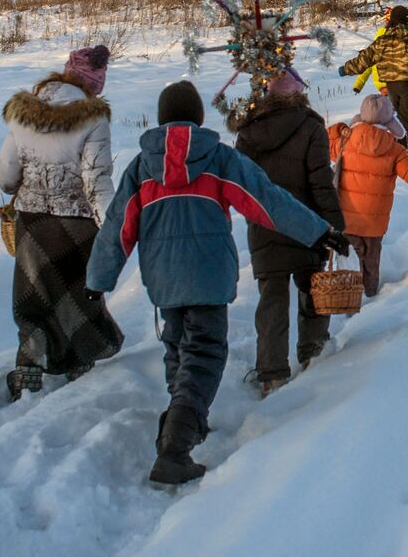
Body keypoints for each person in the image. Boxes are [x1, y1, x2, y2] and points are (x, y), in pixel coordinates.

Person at [86, 80, 348, 485]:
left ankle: (185, 418)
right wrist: (317, 230)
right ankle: (176, 447)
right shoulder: (218, 159)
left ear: (160, 119)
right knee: (205, 352)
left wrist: (98, 280)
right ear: (198, 117)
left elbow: (118, 228)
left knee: (177, 347)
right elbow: (266, 201)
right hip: (207, 273)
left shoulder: (141, 168)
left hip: (163, 277)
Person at [0, 45, 123, 402]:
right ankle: (80, 361)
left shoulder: (24, 113)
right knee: (78, 297)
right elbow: (97, 180)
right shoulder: (94, 119)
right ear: (93, 84)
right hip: (77, 224)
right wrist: (110, 225)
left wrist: (19, 187)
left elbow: (5, 175)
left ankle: (28, 368)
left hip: (32, 223)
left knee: (34, 296)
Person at [229, 69, 345, 398]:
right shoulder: (310, 126)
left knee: (272, 300)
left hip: (265, 225)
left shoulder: (248, 131)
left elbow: (243, 182)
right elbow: (321, 180)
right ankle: (313, 355)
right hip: (308, 225)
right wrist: (334, 224)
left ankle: (271, 374)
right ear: (298, 93)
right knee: (313, 291)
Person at [328, 95, 408, 298]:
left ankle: (346, 297)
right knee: (370, 260)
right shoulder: (394, 150)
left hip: (346, 218)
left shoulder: (345, 141)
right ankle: (370, 294)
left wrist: (337, 129)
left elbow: (322, 140)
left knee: (348, 258)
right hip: (373, 223)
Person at [337, 5, 408, 152]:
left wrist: (346, 69)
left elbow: (364, 60)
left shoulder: (382, 41)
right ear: (407, 20)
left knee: (395, 117)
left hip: (391, 85)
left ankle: (398, 147)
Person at [351, 7, 391, 96]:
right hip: (385, 86)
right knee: (386, 107)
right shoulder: (374, 52)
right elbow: (366, 68)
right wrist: (358, 85)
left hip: (393, 86)